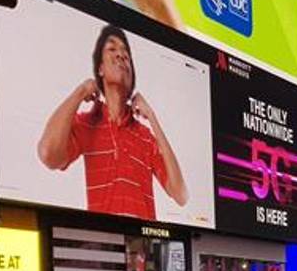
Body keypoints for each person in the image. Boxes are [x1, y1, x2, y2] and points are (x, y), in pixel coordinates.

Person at [38, 24, 188, 219]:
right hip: (106, 243)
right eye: (112, 49)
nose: (121, 55)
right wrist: (80, 92)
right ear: (100, 68)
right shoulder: (87, 124)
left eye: (126, 54)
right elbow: (48, 155)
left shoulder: (146, 137)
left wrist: (152, 117)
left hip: (145, 243)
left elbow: (181, 195)